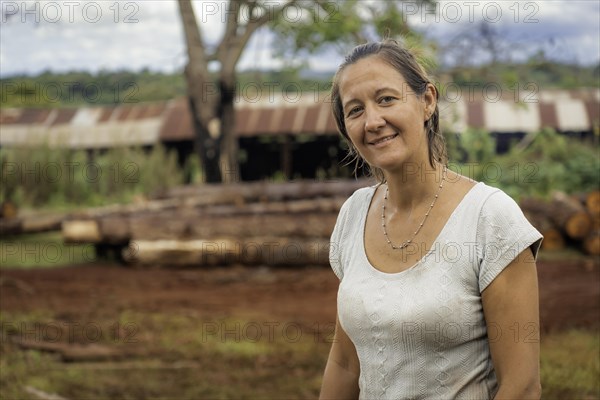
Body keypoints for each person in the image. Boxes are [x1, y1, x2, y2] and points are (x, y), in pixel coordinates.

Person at [319, 40, 543, 400]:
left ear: (427, 101)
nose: (373, 121)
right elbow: (346, 362)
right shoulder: (353, 215)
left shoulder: (489, 217)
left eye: (387, 99)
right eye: (355, 110)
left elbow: (522, 386)